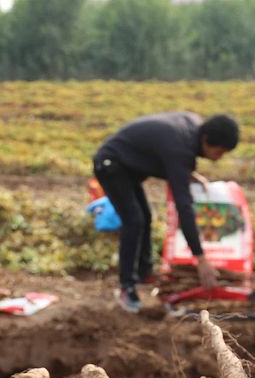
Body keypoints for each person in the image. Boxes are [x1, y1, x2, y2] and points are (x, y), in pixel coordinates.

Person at [93, 112, 240, 313]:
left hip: (128, 167)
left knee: (145, 217)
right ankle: (126, 287)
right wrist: (201, 258)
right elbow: (184, 206)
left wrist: (188, 173)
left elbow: (168, 156)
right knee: (133, 221)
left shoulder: (193, 130)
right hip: (111, 164)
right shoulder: (180, 148)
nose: (218, 157)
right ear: (206, 140)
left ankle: (144, 273)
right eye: (219, 151)